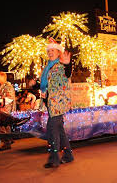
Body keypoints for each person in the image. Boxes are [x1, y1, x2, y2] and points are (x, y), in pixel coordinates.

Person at [41, 38, 74, 168]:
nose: (50, 52)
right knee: (59, 130)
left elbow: (67, 73)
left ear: (59, 52)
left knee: (52, 130)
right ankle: (68, 155)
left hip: (58, 103)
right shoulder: (47, 67)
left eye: (53, 50)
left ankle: (54, 158)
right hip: (50, 103)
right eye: (49, 50)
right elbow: (47, 83)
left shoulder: (61, 64)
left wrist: (68, 64)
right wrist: (36, 84)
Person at [0, 72, 16, 150]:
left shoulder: (8, 86)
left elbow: (10, 98)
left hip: (6, 110)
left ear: (3, 77)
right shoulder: (2, 87)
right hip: (2, 110)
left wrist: (0, 100)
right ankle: (8, 140)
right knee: (3, 126)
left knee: (4, 126)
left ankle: (7, 142)